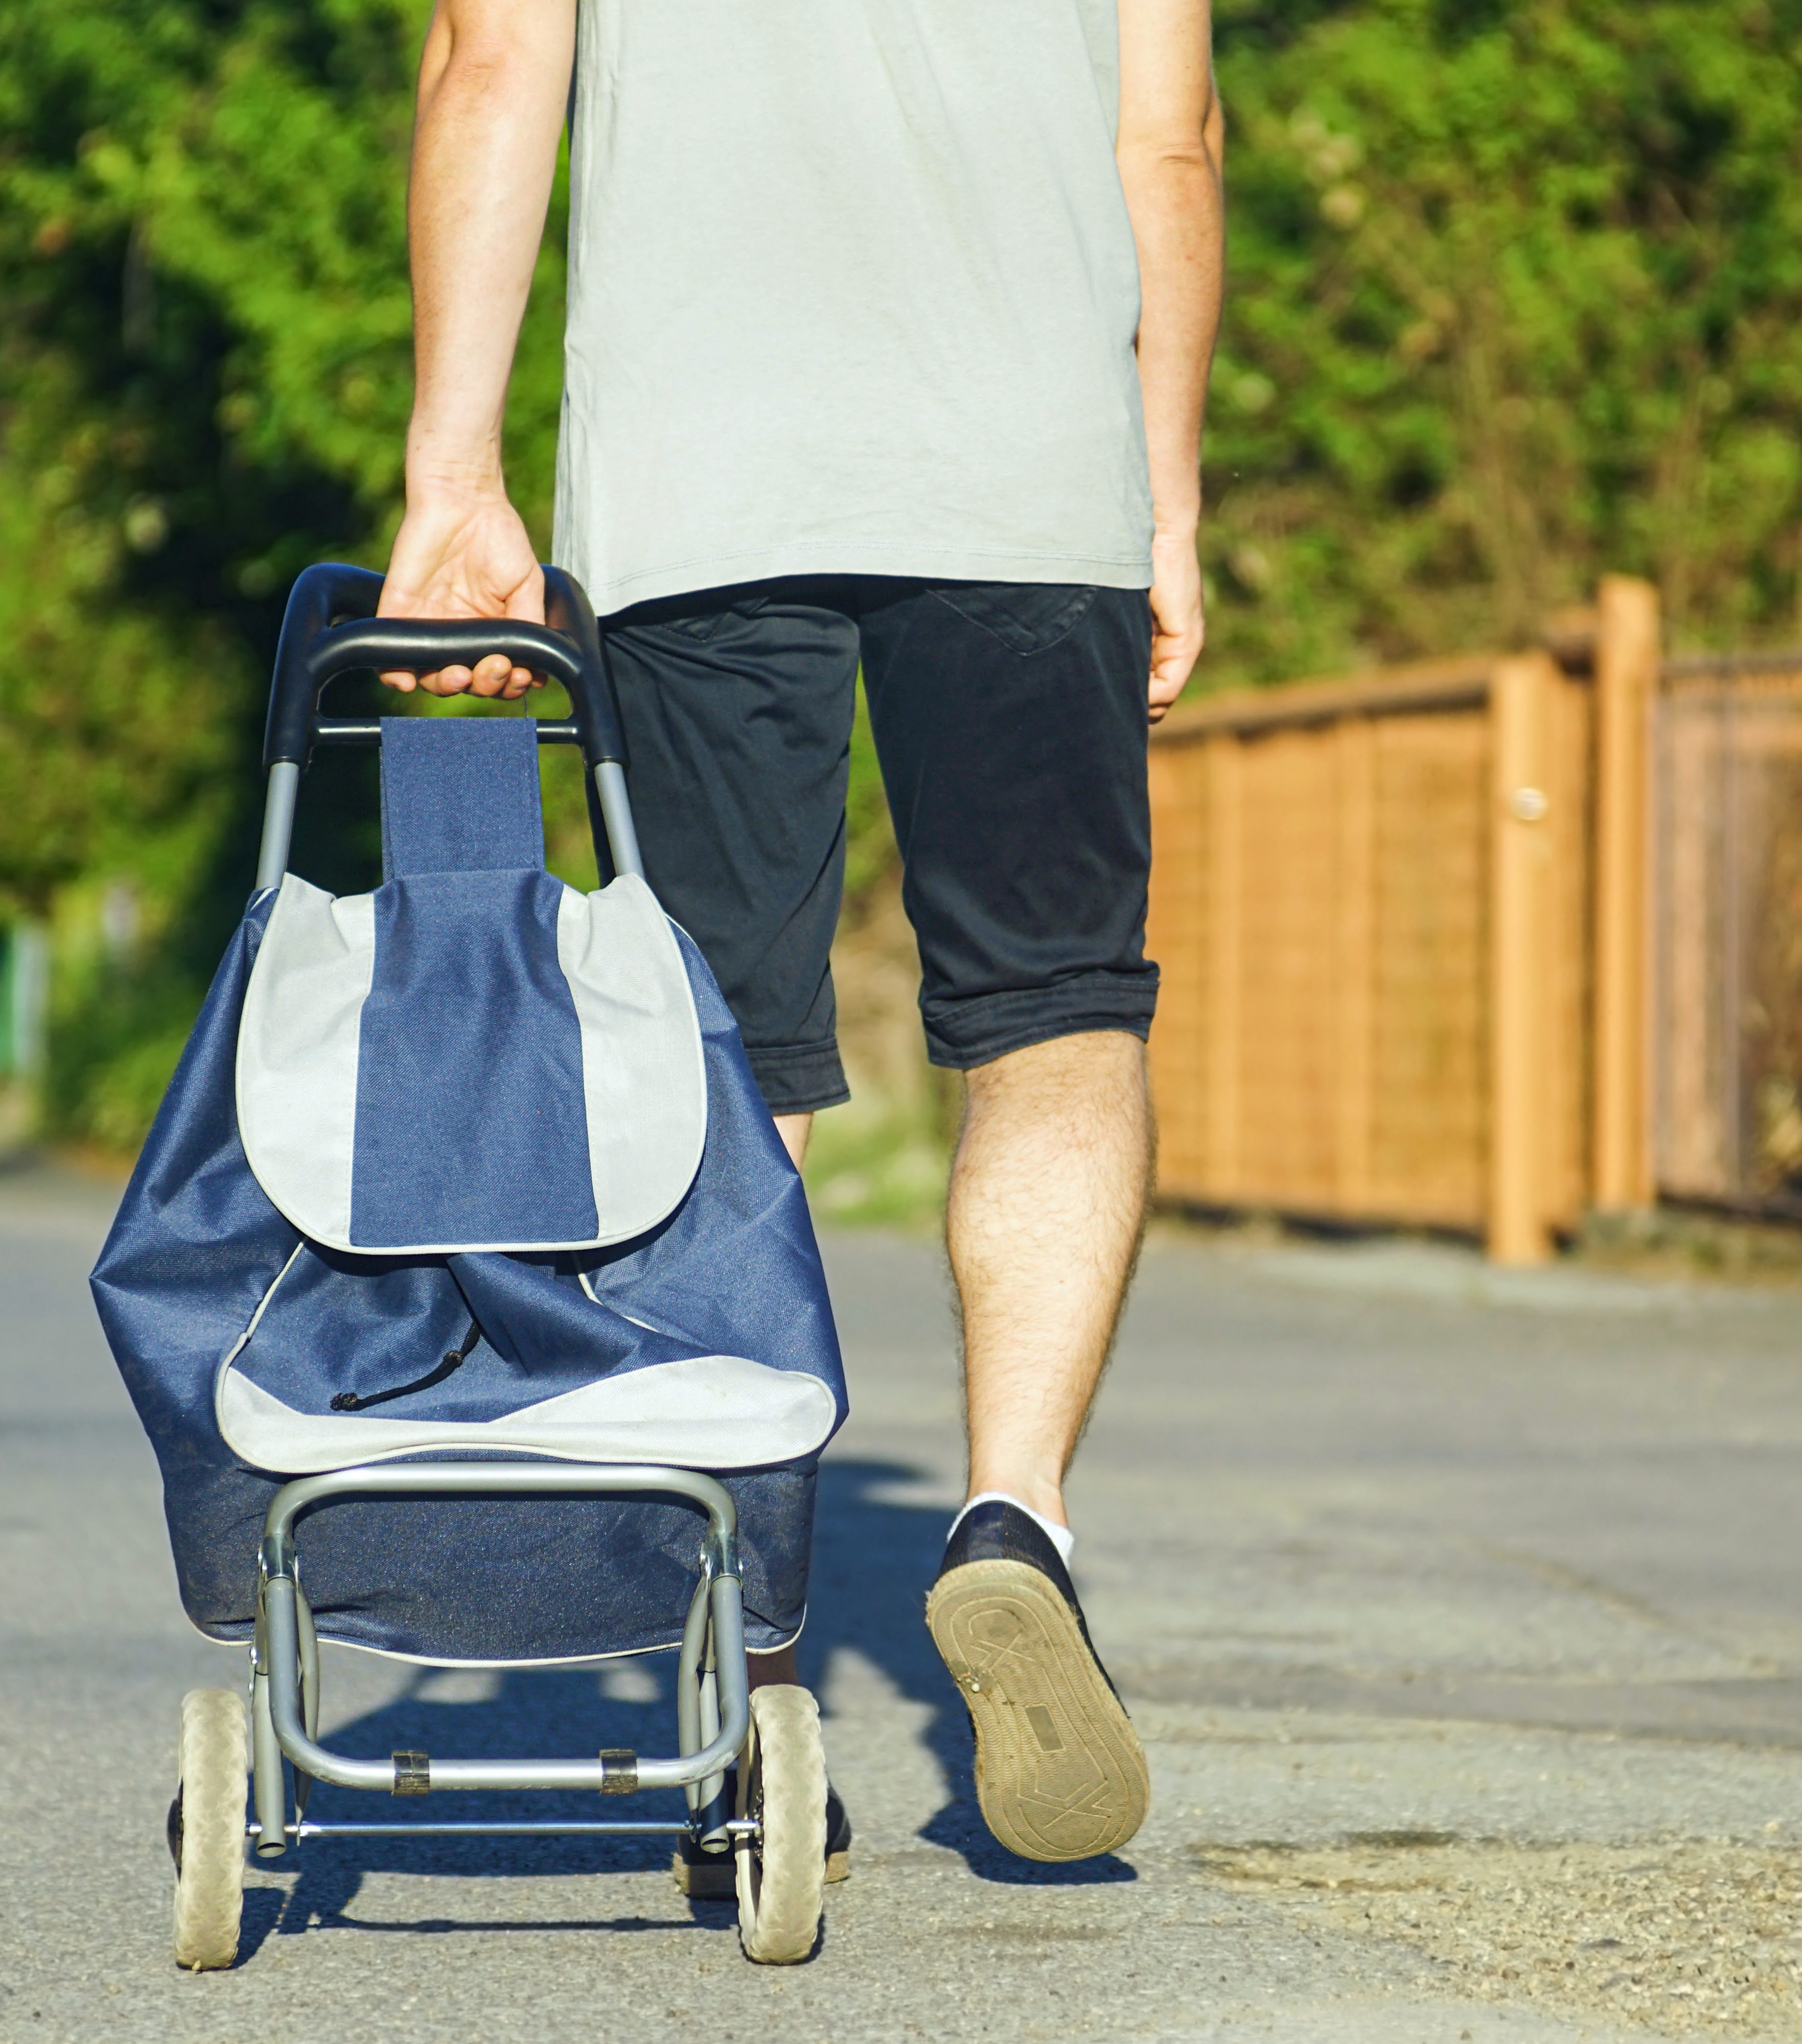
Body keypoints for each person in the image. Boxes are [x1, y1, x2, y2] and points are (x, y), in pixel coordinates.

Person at [376, 0, 1222, 1867]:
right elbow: (1170, 141)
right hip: (1030, 471)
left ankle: (744, 1656)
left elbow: (487, 59)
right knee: (1055, 1016)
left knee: (726, 1046)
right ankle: (1014, 1518)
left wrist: (456, 478)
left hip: (700, 478)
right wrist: (1163, 500)